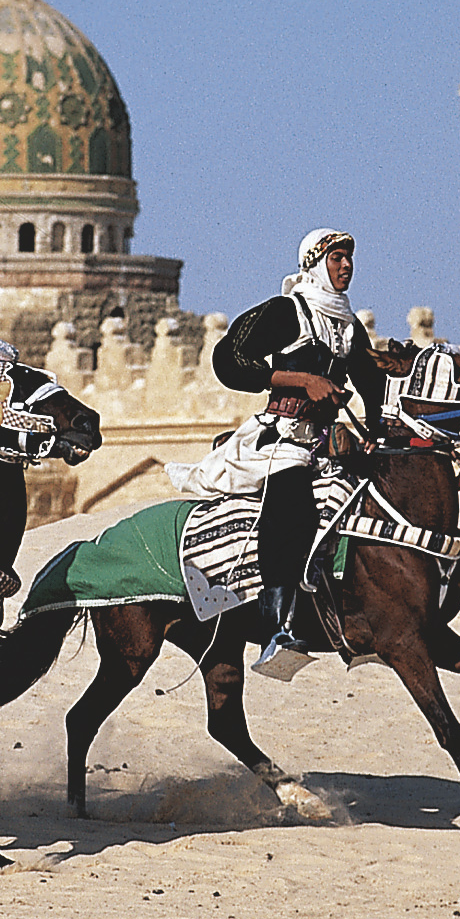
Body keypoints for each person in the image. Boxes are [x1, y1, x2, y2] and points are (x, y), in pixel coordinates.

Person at [168, 229, 383, 680]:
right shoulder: (288, 311)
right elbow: (230, 359)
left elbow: (371, 381)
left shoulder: (348, 325)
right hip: (283, 439)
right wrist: (301, 381)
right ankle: (277, 628)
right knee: (292, 508)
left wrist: (374, 431)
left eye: (349, 258)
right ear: (315, 264)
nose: (346, 266)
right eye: (337, 258)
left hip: (326, 442)